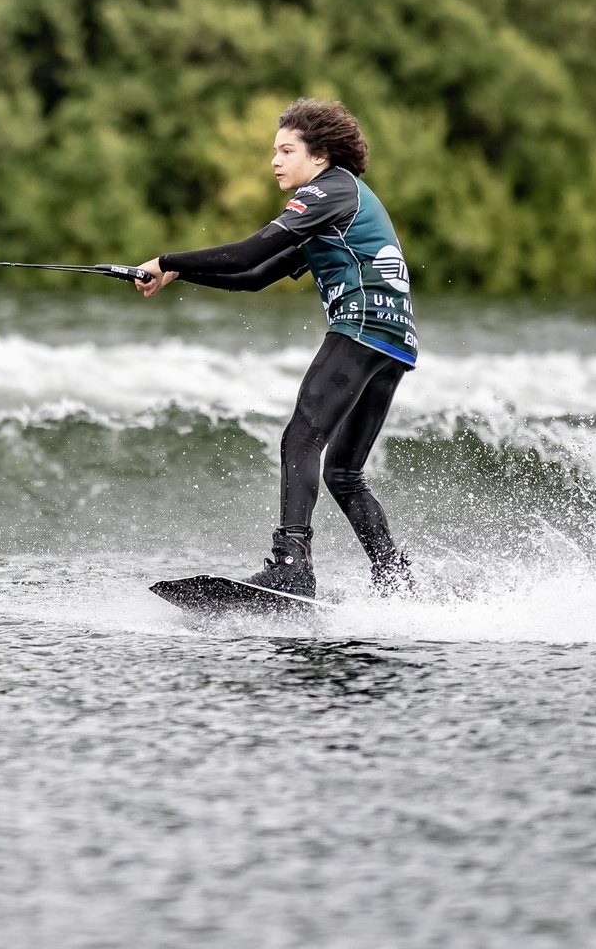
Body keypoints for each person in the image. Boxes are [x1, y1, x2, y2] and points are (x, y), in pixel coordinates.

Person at [134, 98, 418, 600]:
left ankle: (292, 564)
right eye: (274, 151)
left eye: (287, 150)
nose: (275, 161)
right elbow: (255, 277)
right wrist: (180, 272)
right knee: (344, 473)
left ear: (321, 155)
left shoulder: (329, 190)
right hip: (393, 342)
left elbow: (249, 251)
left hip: (361, 325)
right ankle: (397, 582)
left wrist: (166, 257)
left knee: (299, 440)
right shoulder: (341, 201)